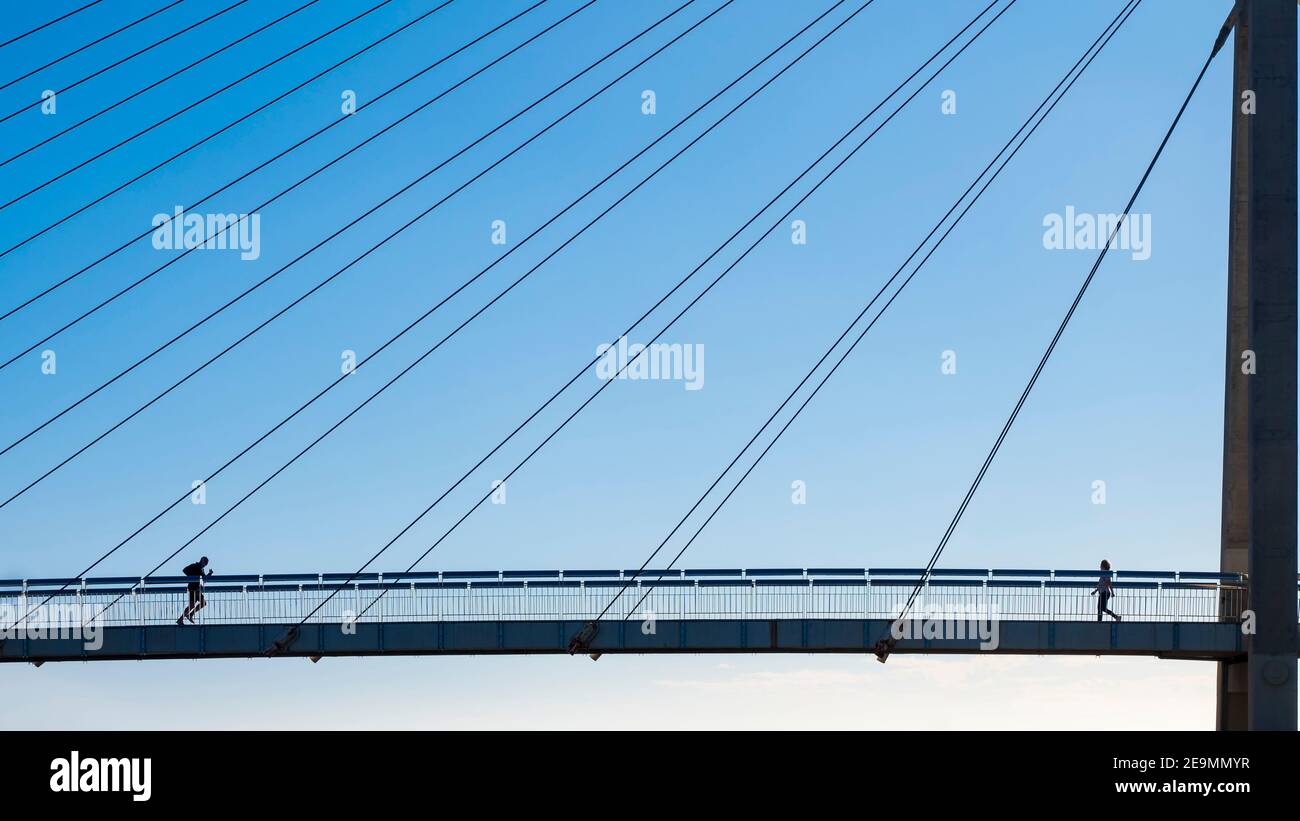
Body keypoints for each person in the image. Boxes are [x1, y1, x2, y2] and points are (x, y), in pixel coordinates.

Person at [177, 556, 213, 625]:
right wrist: (192, 577)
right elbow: (185, 570)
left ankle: (184, 618)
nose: (205, 565)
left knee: (195, 604)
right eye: (205, 563)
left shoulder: (199, 568)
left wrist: (191, 577)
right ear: (202, 561)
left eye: (206, 564)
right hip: (194, 588)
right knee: (197, 604)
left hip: (194, 588)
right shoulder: (196, 566)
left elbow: (204, 579)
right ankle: (184, 618)